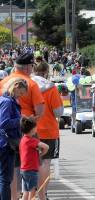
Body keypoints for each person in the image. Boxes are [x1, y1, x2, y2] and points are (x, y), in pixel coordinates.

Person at [0, 52, 45, 200]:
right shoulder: (31, 84)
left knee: (8, 174)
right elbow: (39, 110)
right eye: (32, 65)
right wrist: (24, 120)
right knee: (21, 170)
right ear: (27, 67)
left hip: (9, 138)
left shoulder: (3, 81)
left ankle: (14, 197)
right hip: (15, 137)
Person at [31, 61, 64, 200]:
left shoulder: (28, 86)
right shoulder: (51, 88)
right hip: (49, 130)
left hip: (30, 130)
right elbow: (58, 112)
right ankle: (43, 195)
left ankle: (30, 193)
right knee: (45, 162)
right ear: (46, 72)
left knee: (30, 163)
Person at [0, 78, 28, 200]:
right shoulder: (8, 102)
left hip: (5, 143)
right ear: (15, 86)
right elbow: (3, 123)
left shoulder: (7, 100)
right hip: (5, 144)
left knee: (5, 178)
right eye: (20, 93)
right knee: (5, 179)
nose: (20, 96)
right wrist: (20, 120)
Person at [19, 117, 49, 200]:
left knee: (26, 192)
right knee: (32, 193)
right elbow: (46, 147)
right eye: (36, 127)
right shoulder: (31, 140)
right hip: (31, 170)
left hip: (24, 169)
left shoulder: (23, 140)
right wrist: (41, 154)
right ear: (32, 129)